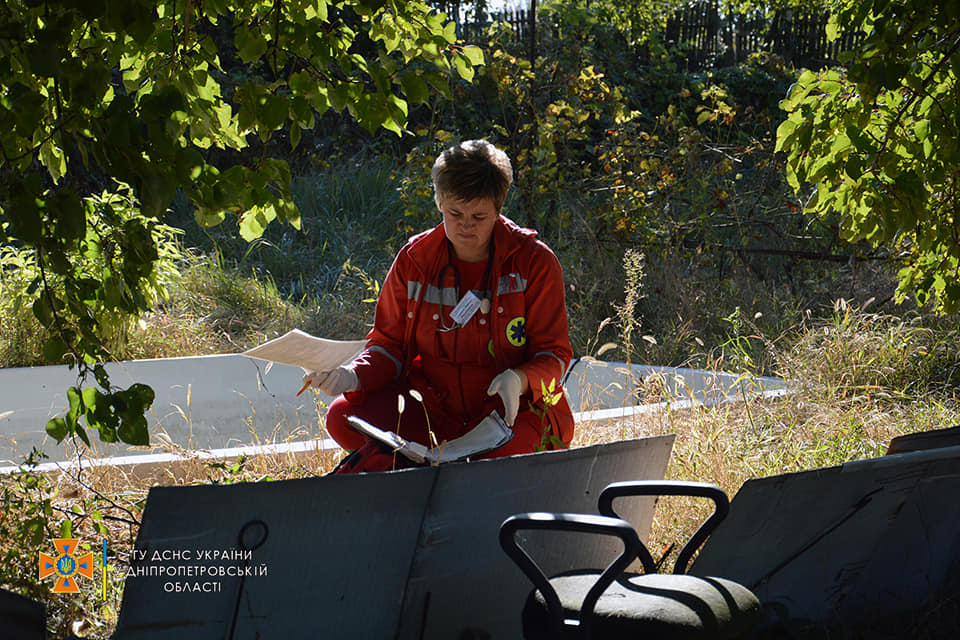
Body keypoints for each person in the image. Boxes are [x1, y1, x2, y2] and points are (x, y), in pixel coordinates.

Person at [305, 139, 574, 472]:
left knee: (501, 461)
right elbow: (389, 345)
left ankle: (430, 468)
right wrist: (352, 376)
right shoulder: (416, 260)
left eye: (479, 216)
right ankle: (426, 464)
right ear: (439, 203)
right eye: (454, 213)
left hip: (509, 412)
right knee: (342, 417)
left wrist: (520, 380)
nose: (466, 226)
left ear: (499, 207)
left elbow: (555, 354)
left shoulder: (534, 261)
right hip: (431, 407)